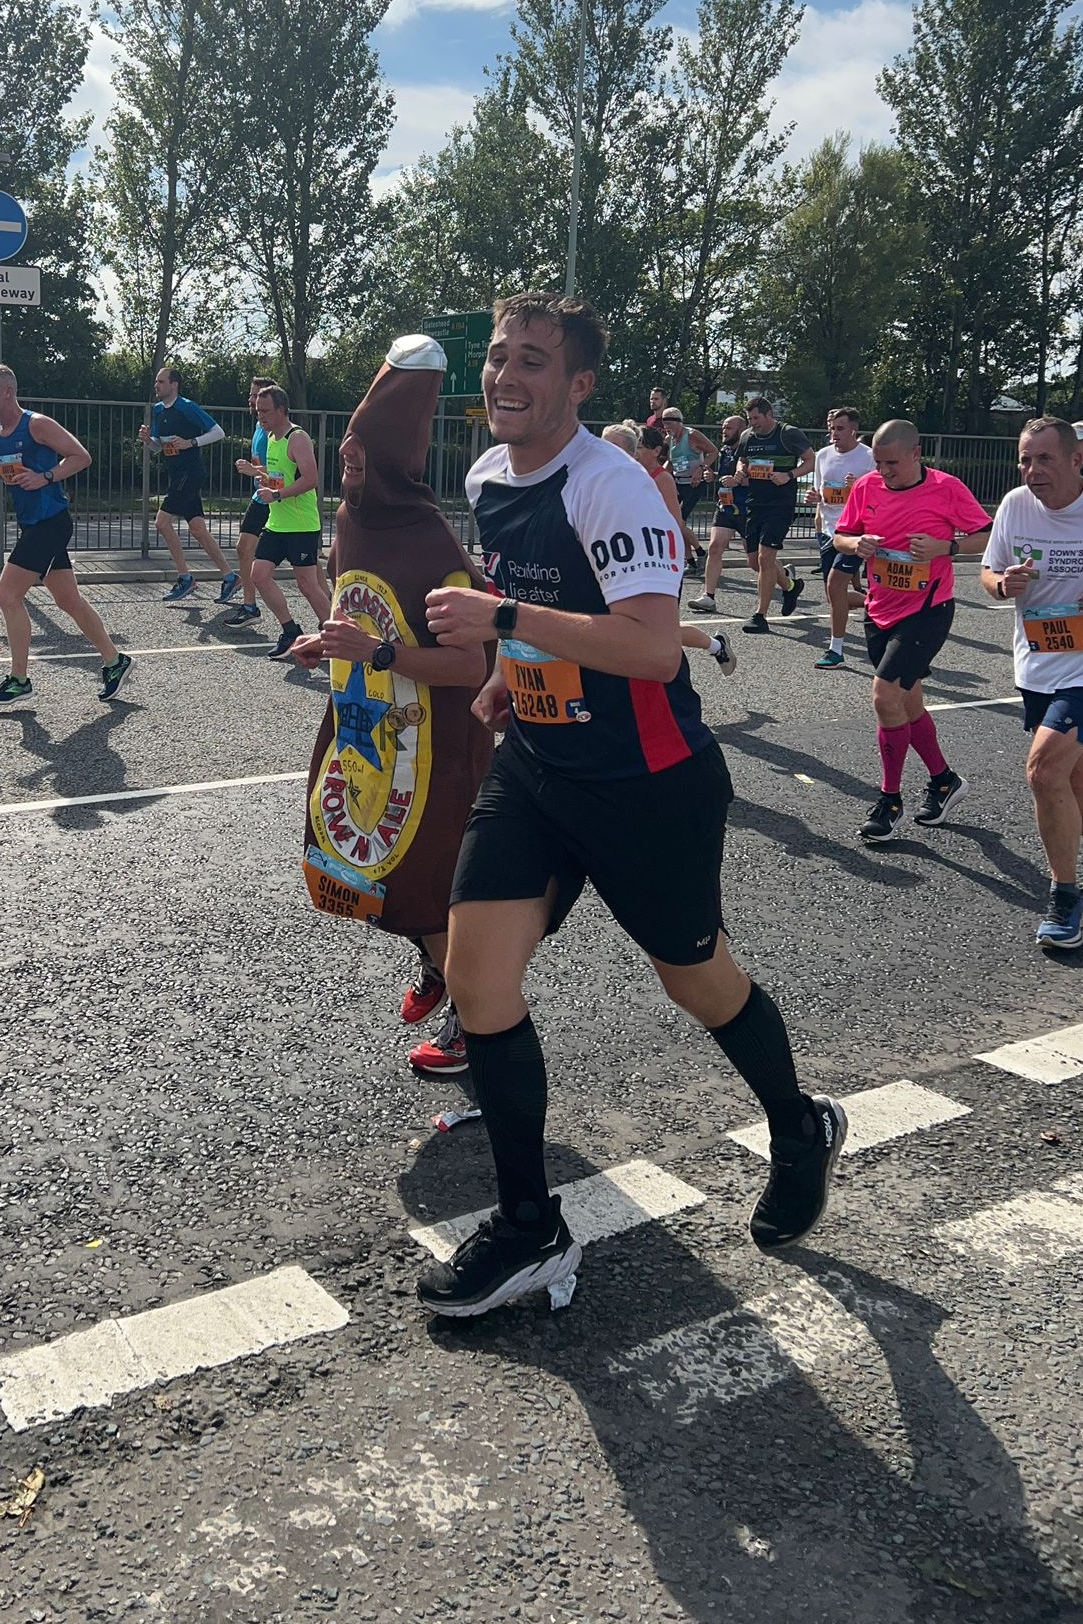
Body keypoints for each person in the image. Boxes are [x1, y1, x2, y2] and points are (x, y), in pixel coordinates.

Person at [414, 292, 846, 1318]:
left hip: (648, 785)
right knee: (477, 981)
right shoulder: (486, 475)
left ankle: (798, 1123)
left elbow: (654, 648)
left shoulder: (613, 487)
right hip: (539, 770)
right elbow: (544, 620)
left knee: (695, 981)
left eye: (534, 361)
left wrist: (501, 615)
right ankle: (531, 1228)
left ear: (579, 384)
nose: (507, 377)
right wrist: (505, 670)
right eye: (500, 358)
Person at [293, 334, 492, 1082]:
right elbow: (363, 616)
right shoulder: (350, 521)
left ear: (389, 460)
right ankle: (438, 967)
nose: (347, 464)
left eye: (359, 454)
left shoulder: (428, 537)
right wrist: (326, 643)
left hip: (440, 742)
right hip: (366, 725)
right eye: (345, 450)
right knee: (366, 864)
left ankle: (476, 1018)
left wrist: (373, 654)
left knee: (428, 880)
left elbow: (469, 662)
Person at [833, 419, 991, 842]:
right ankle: (944, 781)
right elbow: (841, 536)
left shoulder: (947, 488)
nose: (884, 471)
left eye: (893, 463)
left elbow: (987, 536)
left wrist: (947, 547)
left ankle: (890, 801)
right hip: (879, 609)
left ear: (917, 454)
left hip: (928, 610)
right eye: (879, 462)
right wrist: (856, 544)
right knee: (908, 703)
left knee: (885, 696)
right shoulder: (866, 486)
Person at [981, 416, 1083, 949]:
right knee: (1072, 780)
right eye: (1025, 458)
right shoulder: (1016, 504)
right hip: (1039, 659)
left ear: (1075, 460)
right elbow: (988, 570)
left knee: (1044, 771)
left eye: (1044, 458)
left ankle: (1064, 896)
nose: (1032, 470)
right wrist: (1003, 583)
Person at [0, 365, 132, 703]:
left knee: (7, 594)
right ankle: (115, 661)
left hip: (51, 523)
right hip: (33, 523)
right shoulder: (1, 432)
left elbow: (81, 457)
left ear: (6, 392)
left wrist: (45, 477)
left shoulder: (37, 424)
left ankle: (19, 679)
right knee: (67, 600)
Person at [137, 367, 238, 604]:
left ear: (174, 385)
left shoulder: (187, 407)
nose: (157, 385)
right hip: (176, 474)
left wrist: (192, 442)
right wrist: (147, 441)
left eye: (161, 382)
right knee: (198, 529)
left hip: (190, 473)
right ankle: (230, 577)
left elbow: (219, 432)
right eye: (156, 382)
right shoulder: (158, 409)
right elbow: (160, 447)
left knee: (162, 523)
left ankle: (185, 578)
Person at [249, 386, 331, 659]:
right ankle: (290, 630)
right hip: (277, 523)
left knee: (307, 585)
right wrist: (265, 481)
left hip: (301, 524)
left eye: (265, 411)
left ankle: (336, 634)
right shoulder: (271, 437)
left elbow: (310, 479)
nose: (260, 416)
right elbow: (282, 478)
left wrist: (276, 494)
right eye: (258, 411)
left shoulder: (297, 438)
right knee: (258, 575)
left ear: (282, 410)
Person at [687, 413, 790, 617]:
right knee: (715, 547)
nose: (724, 431)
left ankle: (787, 580)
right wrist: (713, 477)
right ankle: (708, 596)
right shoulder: (725, 451)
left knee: (756, 562)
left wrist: (739, 481)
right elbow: (727, 478)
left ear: (742, 431)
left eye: (729, 428)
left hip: (748, 509)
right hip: (726, 507)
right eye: (724, 428)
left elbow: (761, 480)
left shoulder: (752, 452)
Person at [737, 396, 813, 633]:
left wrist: (789, 475)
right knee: (754, 562)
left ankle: (760, 615)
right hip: (755, 503)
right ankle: (790, 586)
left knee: (765, 558)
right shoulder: (747, 436)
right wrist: (740, 473)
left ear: (769, 415)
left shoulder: (788, 433)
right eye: (750, 419)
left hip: (780, 504)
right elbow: (742, 460)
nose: (753, 423)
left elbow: (811, 460)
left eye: (756, 418)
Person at [807, 406, 875, 667]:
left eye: (840, 429)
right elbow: (820, 492)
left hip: (855, 532)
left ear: (854, 430)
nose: (834, 434)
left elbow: (879, 492)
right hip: (828, 531)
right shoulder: (823, 455)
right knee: (833, 595)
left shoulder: (868, 457)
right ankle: (876, 603)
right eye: (832, 428)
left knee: (836, 587)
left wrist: (857, 486)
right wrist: (815, 499)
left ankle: (836, 650)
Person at [223, 374, 278, 627]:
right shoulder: (258, 426)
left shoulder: (278, 431)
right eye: (251, 395)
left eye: (256, 395)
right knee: (243, 549)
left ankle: (329, 611)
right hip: (261, 497)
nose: (251, 399)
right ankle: (249, 606)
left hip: (280, 500)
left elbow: (283, 473)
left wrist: (254, 471)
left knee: (306, 572)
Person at [659, 407, 717, 553]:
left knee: (679, 522)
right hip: (679, 483)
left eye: (669, 422)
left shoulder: (692, 435)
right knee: (674, 521)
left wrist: (701, 468)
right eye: (663, 422)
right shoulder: (669, 439)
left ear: (679, 422)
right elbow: (671, 462)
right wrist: (658, 477)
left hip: (694, 484)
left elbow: (713, 451)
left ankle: (700, 553)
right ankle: (690, 560)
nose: (666, 426)